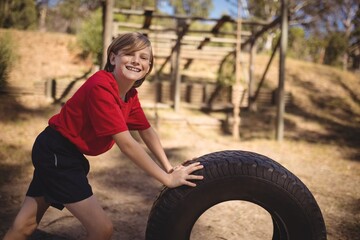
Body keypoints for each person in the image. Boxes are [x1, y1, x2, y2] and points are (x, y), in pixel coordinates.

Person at [4, 32, 204, 240]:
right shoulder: (101, 86)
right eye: (129, 54)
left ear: (149, 66)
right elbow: (127, 144)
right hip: (57, 154)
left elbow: (146, 131)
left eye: (144, 57)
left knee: (24, 226)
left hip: (60, 153)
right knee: (101, 230)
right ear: (113, 58)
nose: (136, 61)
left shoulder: (129, 95)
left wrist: (169, 168)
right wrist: (167, 179)